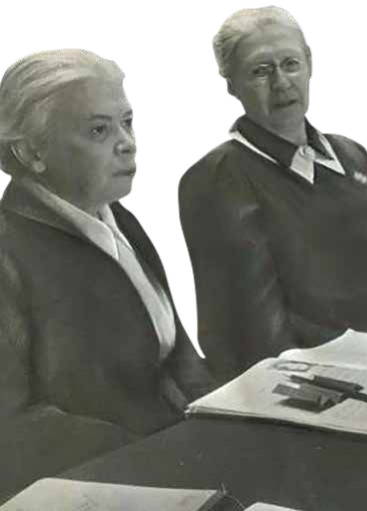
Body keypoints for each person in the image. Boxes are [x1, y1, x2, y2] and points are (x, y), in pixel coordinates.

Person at [180, 7, 367, 381]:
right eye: (260, 71)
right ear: (231, 83)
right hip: (323, 381)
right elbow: (258, 330)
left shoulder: (351, 153)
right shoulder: (217, 178)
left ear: (310, 64)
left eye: (291, 64)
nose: (281, 83)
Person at [0, 49, 216, 494]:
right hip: (100, 483)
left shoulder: (119, 220)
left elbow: (179, 356)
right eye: (99, 130)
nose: (127, 142)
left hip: (175, 460)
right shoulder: (8, 254)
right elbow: (12, 427)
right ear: (31, 151)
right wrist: (168, 456)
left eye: (127, 122)